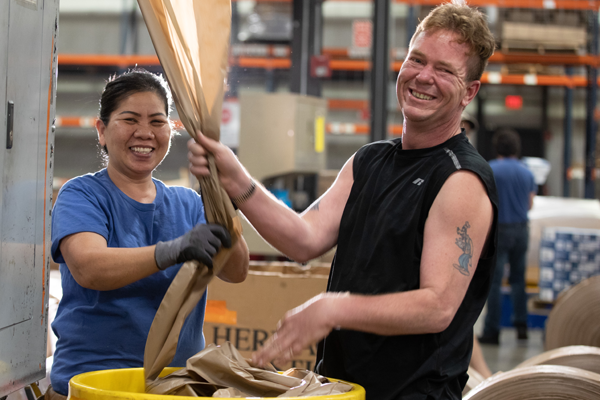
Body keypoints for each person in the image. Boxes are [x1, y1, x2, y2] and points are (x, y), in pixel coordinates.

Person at [189, 2, 498, 398]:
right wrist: (237, 179)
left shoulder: (460, 179)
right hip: (341, 388)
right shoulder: (369, 161)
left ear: (469, 91)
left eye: (444, 69)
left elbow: (436, 307)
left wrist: (332, 307)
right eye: (417, 59)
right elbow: (303, 238)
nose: (424, 76)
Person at [49, 69, 249, 398]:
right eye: (130, 120)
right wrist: (172, 250)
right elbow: (88, 267)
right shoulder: (82, 195)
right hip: (96, 384)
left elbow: (236, 271)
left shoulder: (189, 203)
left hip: (176, 384)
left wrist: (225, 207)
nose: (145, 133)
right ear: (101, 130)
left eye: (158, 122)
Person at [479, 128, 536, 345]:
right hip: (521, 229)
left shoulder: (490, 169)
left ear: (497, 148)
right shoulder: (527, 172)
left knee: (494, 281)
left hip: (498, 229)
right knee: (518, 280)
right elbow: (530, 204)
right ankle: (522, 326)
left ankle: (492, 331)